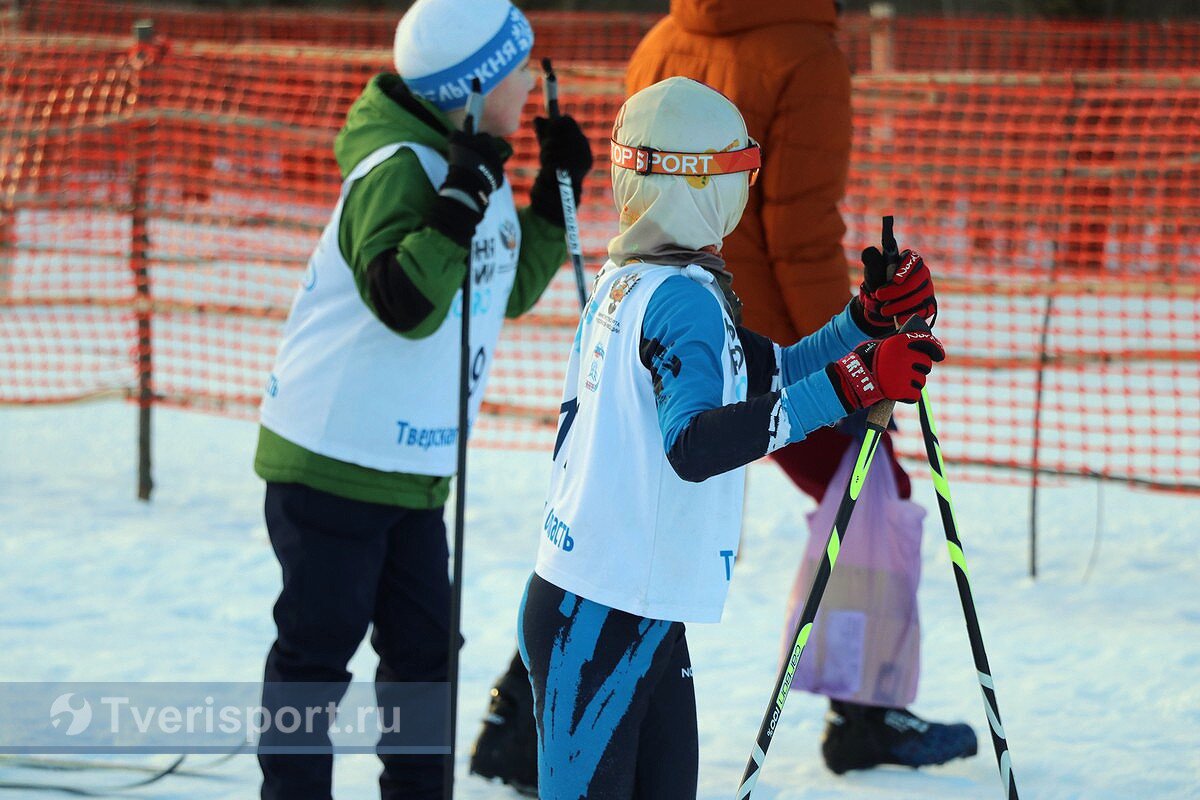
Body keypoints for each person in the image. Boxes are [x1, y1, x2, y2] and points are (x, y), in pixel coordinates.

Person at [521, 76, 944, 798]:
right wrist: (853, 385)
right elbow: (694, 446)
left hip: (626, 604)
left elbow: (765, 370)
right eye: (742, 171)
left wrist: (862, 325)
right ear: (700, 183)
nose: (746, 192)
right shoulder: (679, 297)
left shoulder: (641, 276)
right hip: (600, 618)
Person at [620, 0, 978, 775]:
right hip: (756, 326)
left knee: (623, 490)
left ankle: (523, 713)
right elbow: (798, 225)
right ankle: (865, 714)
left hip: (657, 304)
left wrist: (860, 322)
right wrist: (856, 369)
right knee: (871, 483)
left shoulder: (665, 35)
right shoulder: (806, 54)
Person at [252, 0, 593, 797]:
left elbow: (503, 289)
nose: (531, 90)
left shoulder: (470, 162)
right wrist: (459, 198)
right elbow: (404, 300)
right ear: (474, 86)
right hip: (334, 458)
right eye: (520, 73)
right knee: (316, 652)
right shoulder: (401, 167)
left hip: (412, 464)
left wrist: (552, 199)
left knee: (424, 656)